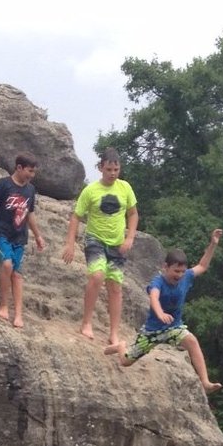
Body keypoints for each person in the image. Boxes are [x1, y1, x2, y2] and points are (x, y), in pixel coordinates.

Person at [104, 230, 223, 394]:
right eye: (176, 271)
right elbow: (154, 297)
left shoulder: (186, 277)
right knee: (125, 361)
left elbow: (202, 265)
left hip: (173, 327)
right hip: (152, 331)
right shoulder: (157, 282)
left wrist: (213, 244)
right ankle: (120, 347)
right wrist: (159, 314)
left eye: (182, 271)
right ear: (165, 267)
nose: (179, 275)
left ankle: (205, 382)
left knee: (192, 341)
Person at [61, 148, 138, 346]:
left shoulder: (125, 188)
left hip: (117, 243)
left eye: (116, 169)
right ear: (101, 168)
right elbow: (76, 216)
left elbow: (133, 213)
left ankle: (114, 332)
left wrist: (130, 237)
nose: (113, 173)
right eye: (109, 169)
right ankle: (86, 323)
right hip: (95, 239)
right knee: (97, 275)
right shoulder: (91, 191)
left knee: (115, 285)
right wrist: (70, 243)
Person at [0, 154, 45, 327]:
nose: (31, 175)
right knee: (7, 264)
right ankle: (4, 305)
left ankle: (19, 314)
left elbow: (29, 213)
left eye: (34, 172)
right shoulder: (4, 184)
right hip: (1, 234)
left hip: (20, 238)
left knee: (18, 274)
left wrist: (38, 236)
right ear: (19, 168)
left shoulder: (30, 190)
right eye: (29, 171)